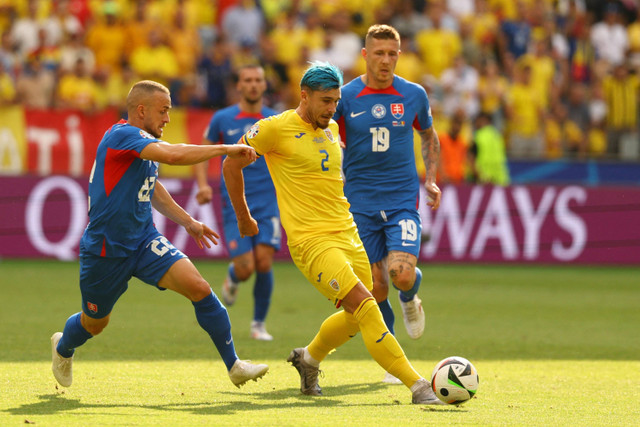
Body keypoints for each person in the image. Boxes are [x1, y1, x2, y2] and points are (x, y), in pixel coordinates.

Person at [223, 62, 444, 405]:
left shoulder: (328, 129)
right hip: (312, 242)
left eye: (335, 101)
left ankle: (308, 359)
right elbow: (231, 162)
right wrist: (243, 216)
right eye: (325, 101)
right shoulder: (275, 128)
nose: (332, 108)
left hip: (348, 232)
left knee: (356, 318)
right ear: (304, 96)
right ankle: (418, 386)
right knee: (367, 306)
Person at [50, 80, 269, 389]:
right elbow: (175, 156)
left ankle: (234, 365)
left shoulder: (141, 143)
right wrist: (225, 149)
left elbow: (153, 188)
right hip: (106, 249)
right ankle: (63, 348)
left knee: (200, 288)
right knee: (94, 323)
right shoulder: (123, 135)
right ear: (142, 110)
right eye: (164, 111)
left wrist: (188, 222)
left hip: (143, 240)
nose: (168, 118)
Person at [333, 24, 442, 383]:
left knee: (401, 275)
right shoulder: (345, 97)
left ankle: (410, 297)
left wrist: (431, 179)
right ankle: (394, 356)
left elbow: (428, 134)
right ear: (365, 55)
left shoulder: (413, 95)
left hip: (400, 201)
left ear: (399, 54)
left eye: (392, 53)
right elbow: (322, 135)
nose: (385, 60)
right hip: (360, 205)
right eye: (378, 53)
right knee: (376, 288)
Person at [194, 65, 280, 341]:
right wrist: (203, 185)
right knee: (246, 267)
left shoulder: (275, 119)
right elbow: (203, 151)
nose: (253, 85)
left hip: (268, 200)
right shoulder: (223, 118)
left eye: (258, 80)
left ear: (265, 85)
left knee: (264, 262)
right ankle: (233, 277)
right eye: (248, 81)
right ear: (239, 86)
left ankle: (258, 324)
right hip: (234, 200)